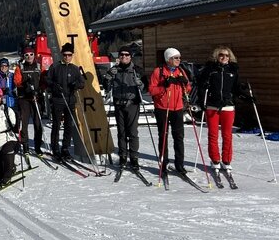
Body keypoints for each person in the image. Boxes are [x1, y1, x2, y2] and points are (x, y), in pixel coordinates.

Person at [197, 46, 243, 172]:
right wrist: (202, 101)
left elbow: (236, 88)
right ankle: (215, 160)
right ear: (217, 56)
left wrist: (245, 94)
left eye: (227, 55)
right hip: (212, 106)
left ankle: (226, 160)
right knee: (213, 135)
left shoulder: (233, 71)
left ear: (230, 57)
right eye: (221, 55)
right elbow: (201, 86)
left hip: (228, 106)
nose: (224, 57)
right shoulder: (210, 70)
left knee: (227, 135)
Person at [148, 47, 191, 175]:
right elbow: (151, 90)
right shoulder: (158, 72)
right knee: (164, 136)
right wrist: (164, 86)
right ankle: (163, 164)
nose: (178, 60)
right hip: (163, 108)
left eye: (179, 58)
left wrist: (185, 84)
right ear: (168, 59)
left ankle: (179, 164)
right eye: (175, 58)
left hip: (177, 108)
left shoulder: (181, 71)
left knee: (179, 137)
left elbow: (187, 88)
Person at [103, 46, 144, 169]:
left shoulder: (137, 70)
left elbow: (145, 88)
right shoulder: (114, 69)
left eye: (127, 55)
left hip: (132, 103)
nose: (124, 57)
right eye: (122, 55)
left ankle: (134, 158)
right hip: (118, 104)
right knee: (121, 132)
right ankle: (123, 156)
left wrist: (140, 83)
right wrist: (108, 77)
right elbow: (106, 86)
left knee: (132, 132)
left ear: (130, 57)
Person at [46, 43, 86, 161]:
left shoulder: (74, 68)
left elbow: (82, 83)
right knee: (57, 124)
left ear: (72, 55)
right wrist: (54, 86)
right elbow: (48, 80)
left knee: (69, 125)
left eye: (69, 55)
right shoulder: (55, 67)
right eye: (65, 55)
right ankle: (55, 148)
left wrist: (76, 85)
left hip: (70, 100)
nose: (67, 57)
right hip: (58, 99)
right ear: (62, 55)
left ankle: (65, 148)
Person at [13, 47, 44, 156]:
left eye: (31, 54)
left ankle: (37, 147)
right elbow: (17, 81)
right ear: (23, 57)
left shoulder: (39, 66)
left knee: (38, 123)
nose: (29, 57)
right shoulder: (20, 67)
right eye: (26, 55)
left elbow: (43, 80)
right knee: (24, 123)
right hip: (24, 99)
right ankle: (25, 146)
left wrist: (39, 90)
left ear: (34, 55)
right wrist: (25, 86)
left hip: (36, 98)